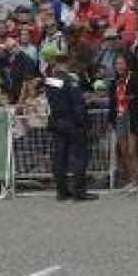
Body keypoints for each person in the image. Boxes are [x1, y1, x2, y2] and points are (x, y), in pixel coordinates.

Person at [45, 53, 98, 202]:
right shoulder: (71, 81)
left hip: (57, 122)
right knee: (79, 157)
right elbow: (77, 104)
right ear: (67, 63)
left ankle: (61, 192)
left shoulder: (50, 81)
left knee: (59, 158)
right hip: (72, 123)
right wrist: (85, 122)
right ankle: (79, 192)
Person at [108, 53, 138, 190]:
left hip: (132, 116)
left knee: (131, 149)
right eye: (117, 64)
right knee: (123, 150)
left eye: (122, 63)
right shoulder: (114, 82)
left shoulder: (135, 79)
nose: (119, 66)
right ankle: (131, 179)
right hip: (119, 116)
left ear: (128, 64)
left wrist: (130, 98)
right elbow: (112, 102)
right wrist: (111, 119)